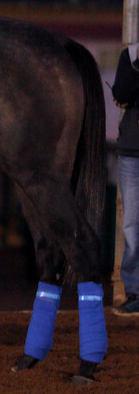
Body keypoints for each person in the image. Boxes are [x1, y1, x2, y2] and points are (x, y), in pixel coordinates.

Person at [111, 44, 139, 316]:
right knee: (131, 223)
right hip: (132, 151)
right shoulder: (130, 56)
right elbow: (120, 94)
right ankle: (134, 292)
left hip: (132, 149)